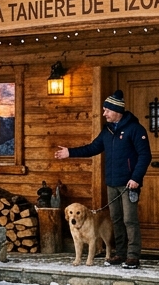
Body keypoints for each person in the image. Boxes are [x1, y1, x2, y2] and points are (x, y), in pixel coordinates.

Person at [54, 89, 153, 268]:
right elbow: (92, 148)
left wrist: (136, 178)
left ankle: (133, 256)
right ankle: (120, 254)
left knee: (129, 220)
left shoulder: (135, 129)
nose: (104, 113)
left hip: (129, 184)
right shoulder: (107, 131)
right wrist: (70, 152)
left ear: (117, 111)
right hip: (112, 183)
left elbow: (145, 155)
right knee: (116, 219)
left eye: (107, 110)